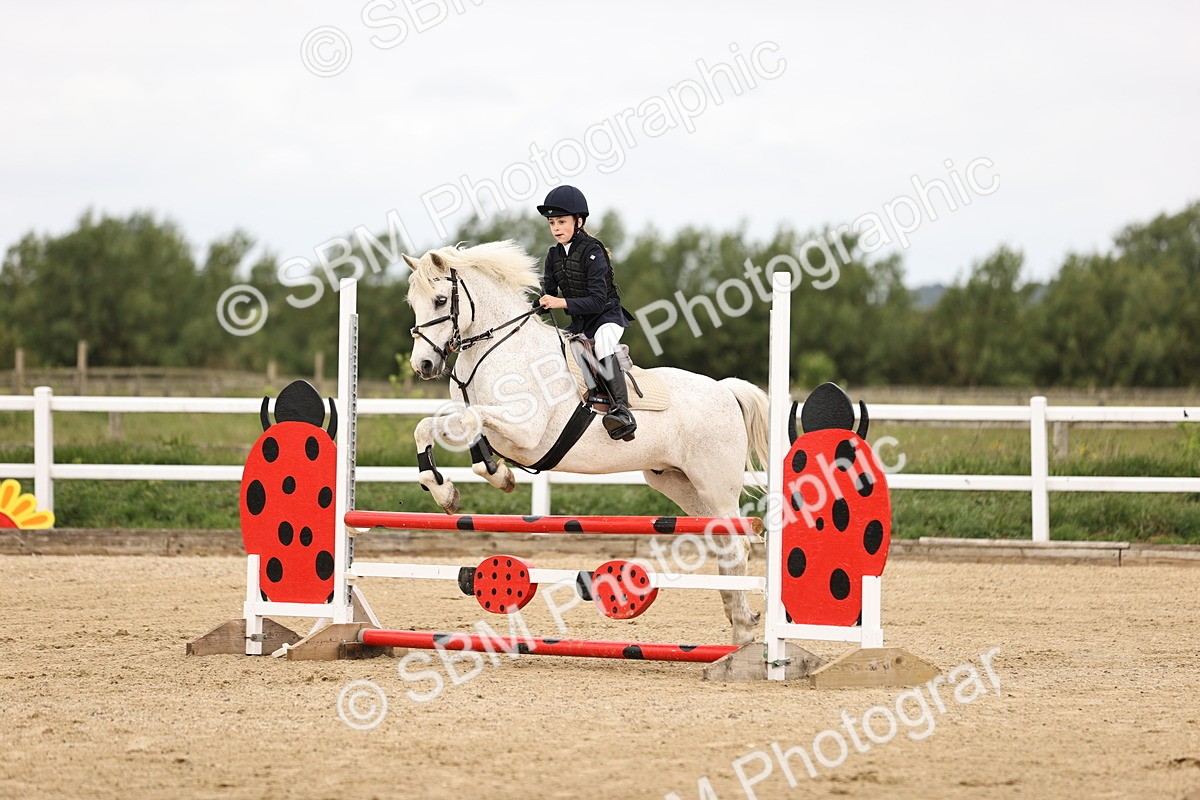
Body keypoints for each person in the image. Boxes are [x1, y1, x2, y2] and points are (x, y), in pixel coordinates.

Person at [535, 185, 637, 441]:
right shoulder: (553, 255)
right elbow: (546, 292)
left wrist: (559, 303)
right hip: (580, 325)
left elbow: (596, 301)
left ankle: (622, 409)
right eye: (552, 223)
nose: (556, 228)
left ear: (578, 221)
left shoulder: (593, 250)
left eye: (562, 221)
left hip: (607, 317)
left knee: (603, 344)